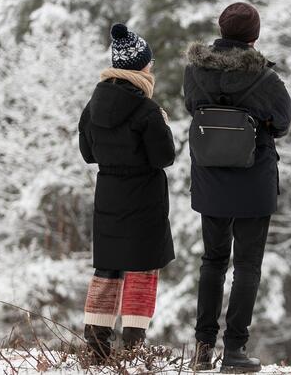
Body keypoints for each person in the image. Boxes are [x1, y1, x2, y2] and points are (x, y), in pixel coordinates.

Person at [183, 2, 291, 373]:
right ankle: (234, 351)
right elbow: (282, 123)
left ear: (221, 30)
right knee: (247, 266)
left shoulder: (194, 72)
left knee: (212, 261)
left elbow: (191, 108)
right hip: (253, 180)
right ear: (253, 36)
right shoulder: (265, 78)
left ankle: (202, 349)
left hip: (210, 177)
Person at [78, 23, 176, 363]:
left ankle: (96, 346)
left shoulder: (93, 105)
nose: (151, 68)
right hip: (144, 199)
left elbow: (89, 153)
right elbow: (164, 157)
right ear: (140, 67)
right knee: (143, 269)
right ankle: (134, 348)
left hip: (108, 197)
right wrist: (162, 123)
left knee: (107, 270)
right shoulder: (147, 110)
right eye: (148, 63)